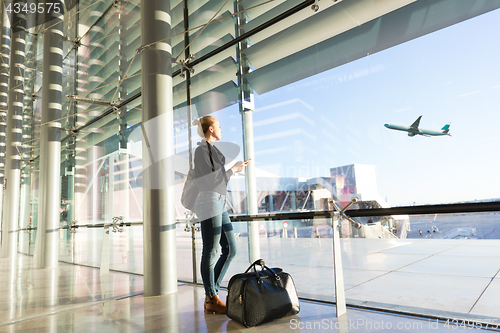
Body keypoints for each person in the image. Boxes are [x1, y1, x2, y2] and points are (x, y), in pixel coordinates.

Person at [193, 116, 248, 314]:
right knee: (211, 250)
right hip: (208, 201)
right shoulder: (201, 150)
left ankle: (211, 294)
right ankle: (212, 297)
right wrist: (233, 170)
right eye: (219, 126)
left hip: (219, 202)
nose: (222, 130)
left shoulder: (213, 151)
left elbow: (218, 180)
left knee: (230, 249)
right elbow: (211, 180)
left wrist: (235, 169)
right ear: (210, 129)